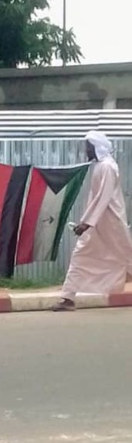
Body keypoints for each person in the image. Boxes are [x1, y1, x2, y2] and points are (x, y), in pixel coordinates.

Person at [54, 131, 132, 311]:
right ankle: (68, 298)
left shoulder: (107, 167)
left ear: (98, 147)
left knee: (125, 257)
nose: (86, 151)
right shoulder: (99, 166)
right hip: (96, 223)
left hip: (111, 223)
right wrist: (88, 222)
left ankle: (68, 297)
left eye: (89, 147)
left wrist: (86, 223)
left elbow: (103, 198)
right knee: (80, 255)